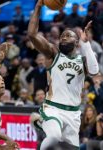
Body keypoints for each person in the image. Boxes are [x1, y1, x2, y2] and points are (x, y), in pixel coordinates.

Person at [28, 0, 99, 149]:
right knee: (53, 137)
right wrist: (38, 8)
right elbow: (32, 35)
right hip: (53, 108)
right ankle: (42, 121)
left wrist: (86, 44)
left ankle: (41, 122)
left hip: (73, 114)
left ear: (76, 41)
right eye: (62, 36)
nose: (63, 37)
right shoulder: (53, 54)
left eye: (68, 35)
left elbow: (94, 71)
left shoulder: (82, 59)